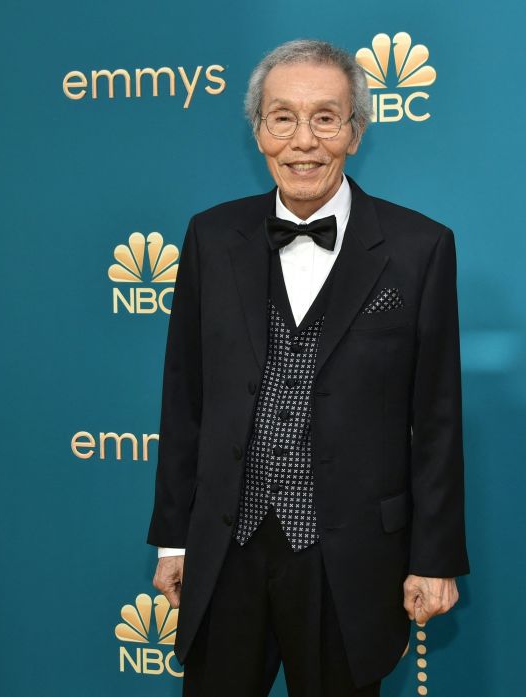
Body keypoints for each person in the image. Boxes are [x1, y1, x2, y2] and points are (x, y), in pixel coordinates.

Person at [147, 38, 469, 697]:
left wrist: (434, 557)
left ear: (356, 130)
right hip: (225, 548)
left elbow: (436, 417)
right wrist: (173, 540)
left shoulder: (419, 248)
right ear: (258, 129)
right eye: (282, 117)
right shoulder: (211, 237)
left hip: (347, 554)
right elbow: (185, 398)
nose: (303, 140)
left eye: (325, 117)